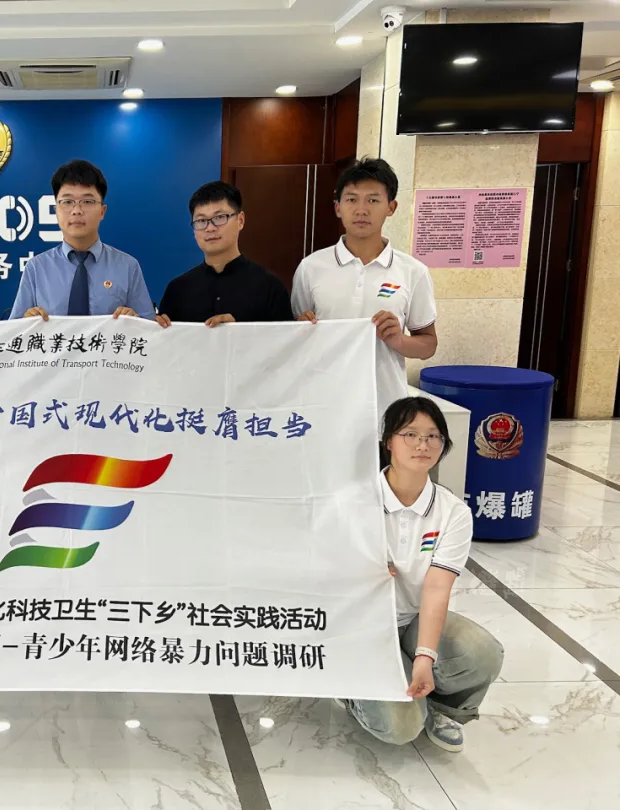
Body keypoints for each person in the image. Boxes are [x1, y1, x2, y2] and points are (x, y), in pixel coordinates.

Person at [342, 396, 504, 752]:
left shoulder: (452, 512)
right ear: (388, 441)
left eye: (433, 436)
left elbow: (436, 589)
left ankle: (446, 710)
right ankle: (350, 694)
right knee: (400, 729)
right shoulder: (353, 501)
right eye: (410, 434)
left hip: (413, 620)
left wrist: (425, 657)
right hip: (362, 627)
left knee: (482, 653)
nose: (422, 444)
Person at [291, 158, 437, 416]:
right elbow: (295, 338)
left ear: (391, 207)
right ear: (338, 207)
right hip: (322, 404)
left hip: (384, 406)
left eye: (372, 200)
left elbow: (428, 345)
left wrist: (398, 340)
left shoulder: (413, 271)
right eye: (351, 199)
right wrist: (300, 329)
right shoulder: (311, 268)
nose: (361, 210)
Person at [9, 159, 155, 321]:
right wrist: (25, 322)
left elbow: (148, 328)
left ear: (102, 211)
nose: (77, 210)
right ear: (56, 210)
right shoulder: (36, 268)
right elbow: (14, 330)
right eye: (67, 202)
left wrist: (135, 321)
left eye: (87, 201)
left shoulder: (128, 267)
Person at [156, 181, 292, 327]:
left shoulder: (270, 287)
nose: (210, 228)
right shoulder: (177, 290)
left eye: (219, 218)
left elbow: (285, 339)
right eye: (201, 221)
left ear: (240, 220)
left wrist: (237, 331)